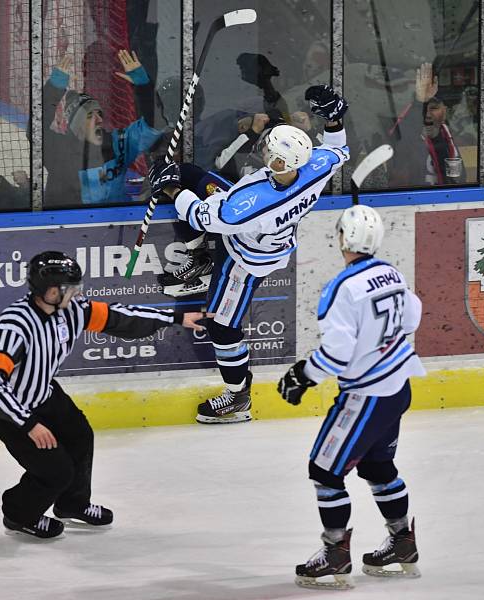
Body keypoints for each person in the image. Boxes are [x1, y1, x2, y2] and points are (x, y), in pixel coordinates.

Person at [148, 84, 350, 424]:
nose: (265, 148)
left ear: (281, 161)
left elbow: (202, 216)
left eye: (270, 149)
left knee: (222, 327)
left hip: (244, 261)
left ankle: (238, 396)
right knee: (194, 174)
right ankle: (199, 259)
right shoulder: (314, 168)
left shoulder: (254, 205)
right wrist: (333, 120)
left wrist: (169, 187)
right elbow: (337, 149)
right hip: (256, 235)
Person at [0, 251, 208, 539]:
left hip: (44, 394)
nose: (76, 293)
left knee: (80, 437)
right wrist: (29, 424)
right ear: (50, 291)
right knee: (56, 471)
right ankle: (18, 513)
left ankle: (72, 504)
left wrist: (176, 318)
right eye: (70, 289)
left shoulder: (72, 310)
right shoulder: (15, 326)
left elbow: (120, 317)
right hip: (10, 410)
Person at [277, 205, 425, 589]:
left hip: (367, 395)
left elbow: (338, 353)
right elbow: (412, 317)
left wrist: (302, 375)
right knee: (378, 469)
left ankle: (335, 554)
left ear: (342, 238)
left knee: (325, 472)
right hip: (398, 386)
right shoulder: (391, 273)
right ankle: (401, 543)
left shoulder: (343, 287)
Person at [42, 52, 162, 207]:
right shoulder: (58, 150)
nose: (99, 119)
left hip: (117, 225)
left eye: (100, 113)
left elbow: (152, 125)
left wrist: (143, 87)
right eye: (90, 115)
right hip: (68, 227)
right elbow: (36, 129)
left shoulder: (118, 144)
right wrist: (54, 88)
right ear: (76, 124)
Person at [389, 63, 465, 187]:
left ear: (445, 112)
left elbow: (459, 180)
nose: (428, 115)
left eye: (434, 108)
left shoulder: (448, 136)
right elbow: (400, 139)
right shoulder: (409, 138)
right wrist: (419, 102)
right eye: (424, 110)